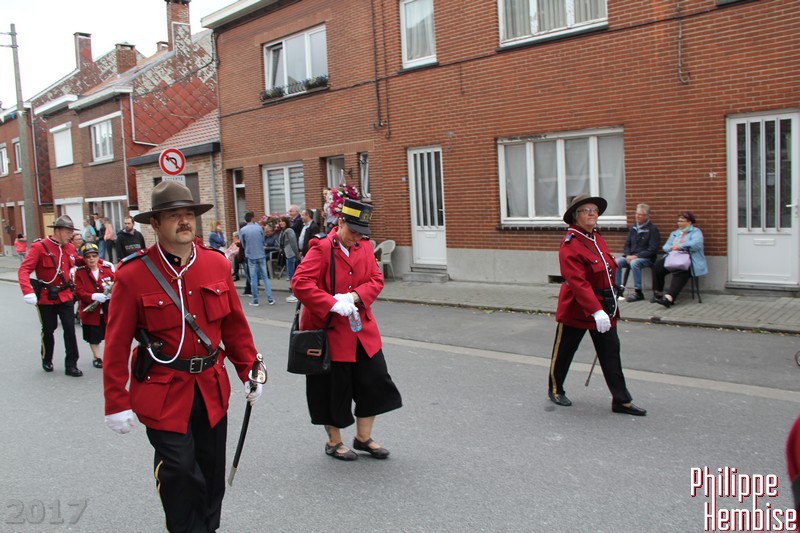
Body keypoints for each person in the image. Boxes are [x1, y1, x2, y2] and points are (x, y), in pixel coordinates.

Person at [102, 180, 265, 532]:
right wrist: (116, 401)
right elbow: (116, 343)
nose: (184, 221)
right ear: (155, 223)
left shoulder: (215, 264)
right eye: (173, 215)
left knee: (211, 470)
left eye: (188, 214)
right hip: (163, 390)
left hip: (210, 387)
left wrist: (250, 370)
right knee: (178, 471)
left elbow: (234, 326)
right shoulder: (133, 274)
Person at [292, 198, 402, 461]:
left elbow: (376, 279)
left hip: (362, 332)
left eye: (362, 233)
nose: (356, 238)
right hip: (331, 332)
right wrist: (331, 303)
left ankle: (363, 438)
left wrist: (353, 297)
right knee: (333, 390)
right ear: (340, 222)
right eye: (353, 231)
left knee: (374, 382)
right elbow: (300, 283)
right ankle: (334, 441)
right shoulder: (320, 248)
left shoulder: (364, 247)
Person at [546, 193, 646, 416]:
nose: (592, 214)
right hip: (578, 308)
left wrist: (612, 294)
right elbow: (577, 282)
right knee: (564, 352)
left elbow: (606, 269)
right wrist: (595, 310)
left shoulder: (596, 238)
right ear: (575, 215)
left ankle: (621, 400)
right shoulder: (571, 243)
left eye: (594, 210)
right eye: (586, 210)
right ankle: (555, 388)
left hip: (604, 306)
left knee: (611, 353)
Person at [17, 215, 89, 376]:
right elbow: (24, 270)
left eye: (71, 232)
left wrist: (92, 259)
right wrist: (28, 291)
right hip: (46, 296)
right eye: (67, 232)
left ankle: (71, 364)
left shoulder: (69, 247)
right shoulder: (39, 247)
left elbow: (76, 260)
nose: (70, 235)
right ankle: (47, 358)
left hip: (65, 295)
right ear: (57, 231)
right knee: (49, 329)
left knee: (70, 329)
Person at [651, 211, 707, 308]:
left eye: (682, 221)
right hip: (673, 257)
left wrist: (680, 246)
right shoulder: (675, 233)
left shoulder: (696, 232)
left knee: (681, 271)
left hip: (689, 260)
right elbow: (665, 246)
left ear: (689, 222)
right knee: (657, 267)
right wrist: (672, 247)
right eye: (678, 221)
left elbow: (696, 244)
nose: (679, 223)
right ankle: (658, 293)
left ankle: (669, 298)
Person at [74, 242, 114, 369]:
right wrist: (93, 296)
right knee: (94, 336)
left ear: (98, 257)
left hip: (107, 310)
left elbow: (117, 284)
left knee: (110, 334)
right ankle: (97, 357)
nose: (91, 259)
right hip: (91, 311)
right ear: (84, 259)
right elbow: (79, 292)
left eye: (94, 256)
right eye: (88, 257)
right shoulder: (80, 273)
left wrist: (112, 294)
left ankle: (110, 356)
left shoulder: (107, 270)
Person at [615, 203, 660, 302]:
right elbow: (627, 244)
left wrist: (636, 256)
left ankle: (638, 292)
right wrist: (627, 255)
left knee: (634, 263)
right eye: (636, 214)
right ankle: (617, 289)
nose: (637, 216)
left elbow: (653, 249)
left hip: (646, 258)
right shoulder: (633, 228)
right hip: (631, 256)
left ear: (646, 216)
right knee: (617, 262)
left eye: (640, 215)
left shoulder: (652, 229)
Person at [239, 211, 274, 306]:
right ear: (252, 218)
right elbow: (263, 241)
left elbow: (243, 244)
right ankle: (270, 299)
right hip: (261, 254)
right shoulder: (259, 228)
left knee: (253, 278)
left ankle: (255, 300)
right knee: (265, 277)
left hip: (250, 255)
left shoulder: (243, 230)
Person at [278, 216, 300, 303]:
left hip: (291, 255)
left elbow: (294, 243)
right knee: (290, 275)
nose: (281, 223)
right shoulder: (282, 232)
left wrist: (297, 255)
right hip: (287, 255)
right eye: (280, 221)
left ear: (286, 222)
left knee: (292, 275)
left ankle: (295, 294)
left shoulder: (289, 231)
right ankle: (295, 293)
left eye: (283, 221)